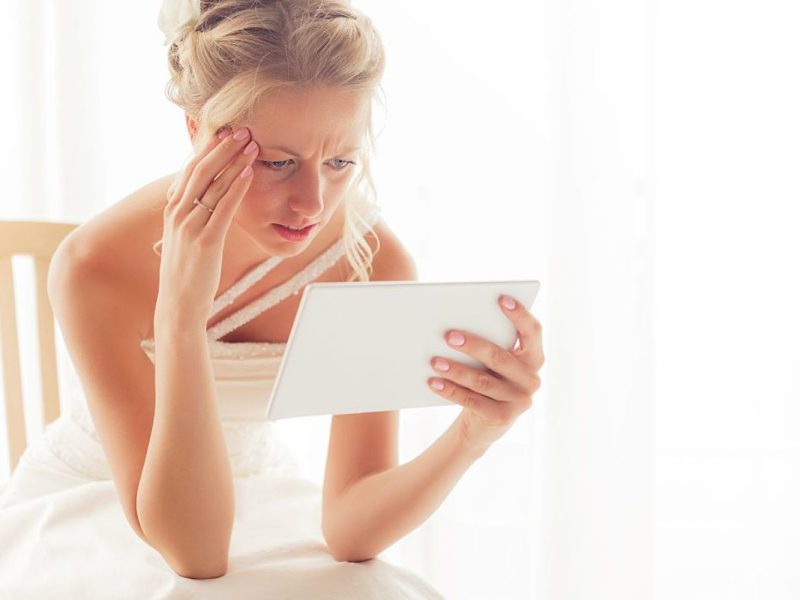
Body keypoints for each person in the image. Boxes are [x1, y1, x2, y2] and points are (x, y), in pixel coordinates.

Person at [0, 0, 544, 597]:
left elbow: (351, 532)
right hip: (99, 502)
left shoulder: (371, 262)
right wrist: (181, 314)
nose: (314, 202)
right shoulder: (95, 265)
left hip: (260, 493)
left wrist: (474, 434)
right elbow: (194, 554)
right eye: (280, 163)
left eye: (341, 161)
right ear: (196, 130)